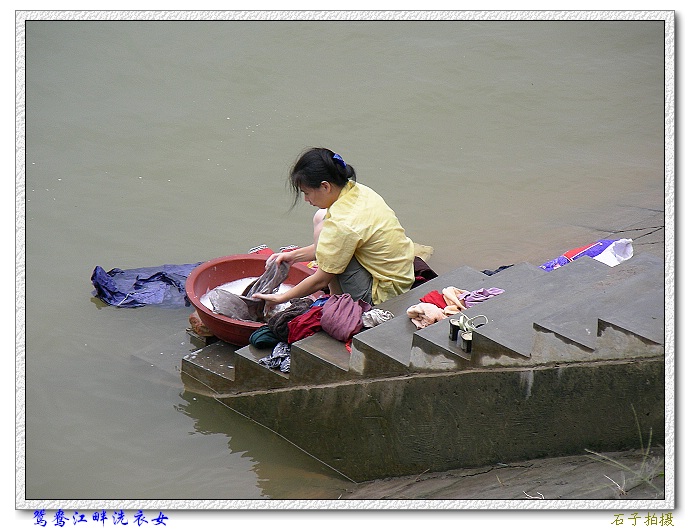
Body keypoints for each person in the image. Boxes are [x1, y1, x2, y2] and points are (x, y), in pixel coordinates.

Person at [253, 147, 415, 308]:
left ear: (325, 186)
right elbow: (331, 246)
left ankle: (339, 302)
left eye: (307, 193)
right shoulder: (355, 189)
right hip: (402, 275)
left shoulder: (342, 224)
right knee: (321, 218)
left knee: (327, 237)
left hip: (384, 295)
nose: (306, 199)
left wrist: (280, 298)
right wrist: (293, 257)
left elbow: (321, 280)